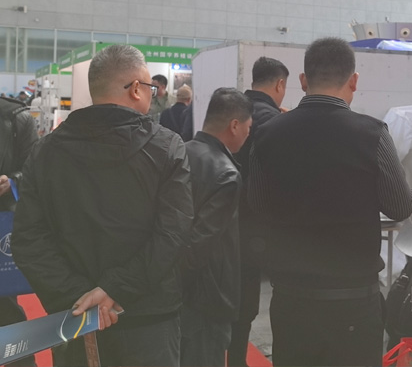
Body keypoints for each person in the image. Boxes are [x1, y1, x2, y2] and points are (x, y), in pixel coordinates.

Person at [13, 44, 194, 367]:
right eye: (151, 88)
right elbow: (173, 233)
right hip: (148, 318)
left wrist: (79, 297)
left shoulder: (45, 151)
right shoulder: (167, 147)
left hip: (74, 320)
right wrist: (113, 291)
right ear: (136, 89)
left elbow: (28, 240)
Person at [247, 37, 412, 367]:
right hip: (354, 302)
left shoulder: (267, 134)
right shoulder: (373, 134)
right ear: (353, 80)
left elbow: (257, 204)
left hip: (292, 299)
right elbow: (400, 207)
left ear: (303, 80)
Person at [180, 88, 252, 367]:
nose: (247, 134)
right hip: (208, 298)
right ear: (234, 125)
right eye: (247, 127)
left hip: (176, 295)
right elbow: (200, 245)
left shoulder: (180, 152)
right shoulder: (226, 174)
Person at [228, 57, 289, 367]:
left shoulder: (233, 111)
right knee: (251, 307)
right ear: (280, 84)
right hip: (259, 229)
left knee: (234, 307)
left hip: (227, 222)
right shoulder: (274, 121)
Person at [0, 95, 39, 366]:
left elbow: (34, 170)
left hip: (2, 224)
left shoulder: (16, 118)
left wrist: (11, 181)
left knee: (6, 308)